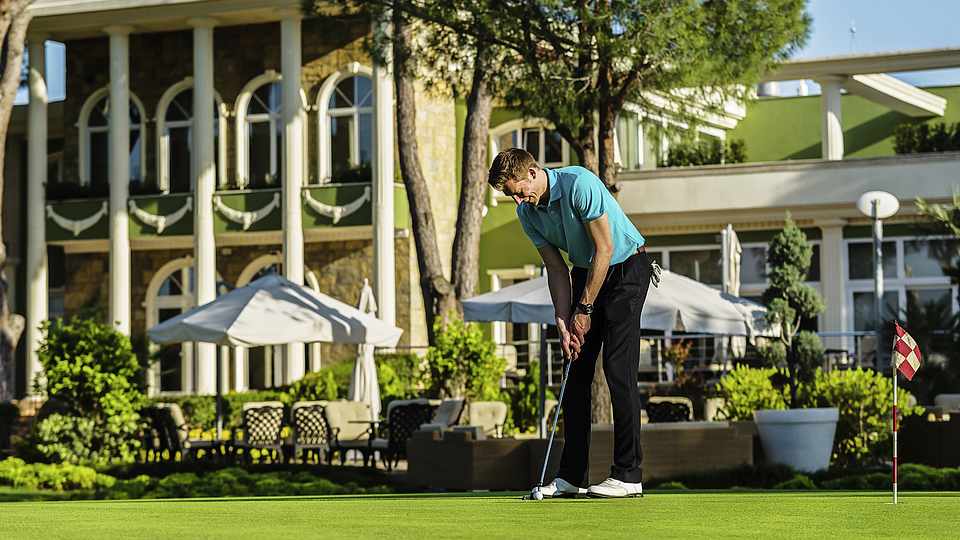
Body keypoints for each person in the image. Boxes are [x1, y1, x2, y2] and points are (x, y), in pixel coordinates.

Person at [487, 148, 658, 498]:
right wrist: (563, 321)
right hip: (586, 271)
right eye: (511, 196)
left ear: (532, 172)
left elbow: (605, 248)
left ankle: (629, 475)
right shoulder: (527, 213)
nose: (518, 200)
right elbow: (555, 268)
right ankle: (572, 476)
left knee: (617, 367)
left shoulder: (579, 183)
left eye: (519, 191)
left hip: (626, 268)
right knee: (575, 367)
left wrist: (584, 309)